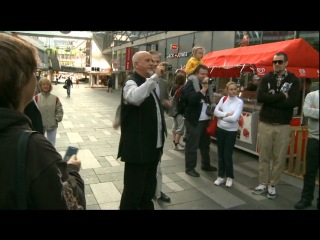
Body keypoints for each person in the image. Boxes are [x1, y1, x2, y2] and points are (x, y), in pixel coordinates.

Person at [0, 33, 86, 210]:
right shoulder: (33, 148)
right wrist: (71, 170)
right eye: (34, 73)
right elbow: (73, 204)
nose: (36, 79)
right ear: (20, 80)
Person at [117, 51, 167, 209]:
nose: (152, 63)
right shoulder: (131, 82)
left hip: (153, 147)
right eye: (148, 60)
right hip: (137, 149)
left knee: (148, 189)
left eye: (153, 60)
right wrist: (154, 78)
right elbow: (134, 98)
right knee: (133, 191)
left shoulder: (149, 82)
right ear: (136, 64)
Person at [252, 51, 300, 199]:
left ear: (286, 63)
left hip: (283, 125)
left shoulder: (293, 80)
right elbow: (260, 97)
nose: (277, 64)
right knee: (264, 156)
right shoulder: (266, 78)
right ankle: (263, 183)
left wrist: (271, 99)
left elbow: (292, 102)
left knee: (279, 158)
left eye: (280, 61)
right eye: (275, 62)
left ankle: (272, 185)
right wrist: (280, 96)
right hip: (266, 123)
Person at [182, 64, 217, 177]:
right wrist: (204, 89)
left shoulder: (207, 84)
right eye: (202, 74)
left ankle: (205, 164)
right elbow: (192, 100)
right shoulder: (190, 84)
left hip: (205, 119)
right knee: (192, 145)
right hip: (194, 120)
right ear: (196, 74)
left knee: (205, 145)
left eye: (206, 74)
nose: (204, 76)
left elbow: (208, 99)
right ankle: (190, 168)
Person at [149, 50, 171, 202]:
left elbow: (167, 103)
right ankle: (147, 191)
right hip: (145, 132)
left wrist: (168, 105)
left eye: (158, 62)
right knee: (146, 167)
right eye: (153, 61)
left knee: (158, 165)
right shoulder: (141, 80)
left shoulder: (163, 83)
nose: (156, 64)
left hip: (159, 131)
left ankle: (157, 192)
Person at [213, 81, 243, 187]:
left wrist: (221, 117)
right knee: (220, 154)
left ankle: (230, 177)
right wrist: (226, 114)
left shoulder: (239, 102)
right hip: (220, 129)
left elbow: (235, 118)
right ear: (227, 90)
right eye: (231, 89)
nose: (233, 91)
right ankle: (221, 176)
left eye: (235, 89)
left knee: (227, 155)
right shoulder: (223, 99)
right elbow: (215, 112)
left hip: (231, 132)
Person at [294, 89, 319, 210]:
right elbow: (306, 111)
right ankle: (306, 198)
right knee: (310, 171)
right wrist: (311, 111)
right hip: (314, 139)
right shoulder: (312, 95)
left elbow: (311, 112)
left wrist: (315, 111)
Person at [36, 77, 64, 147]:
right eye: (43, 84)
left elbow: (59, 109)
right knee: (40, 143)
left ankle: (51, 157)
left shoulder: (55, 98)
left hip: (52, 125)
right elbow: (33, 111)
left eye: (47, 85)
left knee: (51, 144)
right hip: (40, 125)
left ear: (50, 86)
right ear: (40, 86)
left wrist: (57, 119)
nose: (45, 86)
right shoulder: (36, 98)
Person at [169, 72, 186, 151]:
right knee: (180, 127)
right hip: (179, 111)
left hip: (173, 110)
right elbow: (181, 101)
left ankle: (174, 142)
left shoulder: (173, 87)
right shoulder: (181, 88)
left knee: (175, 126)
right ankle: (176, 144)